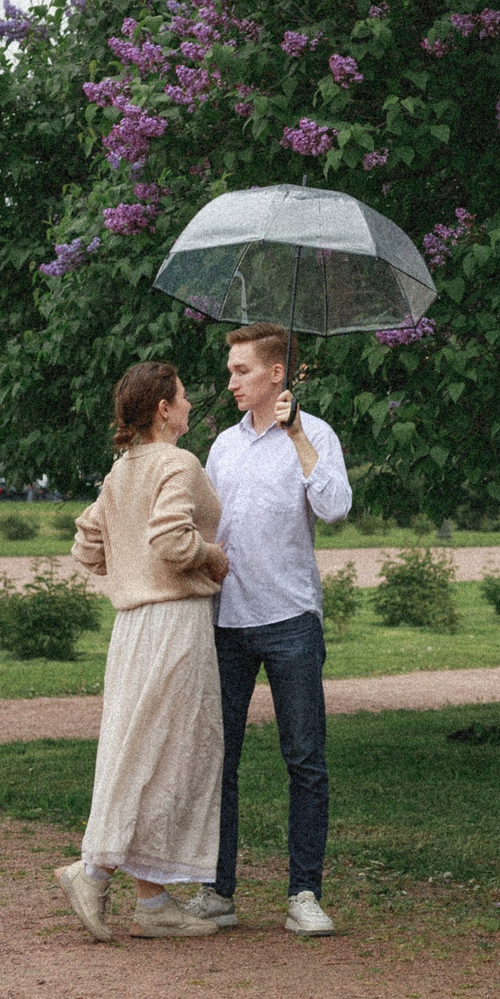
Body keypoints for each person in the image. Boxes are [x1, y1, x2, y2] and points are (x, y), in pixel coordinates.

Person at [175, 323, 351, 937]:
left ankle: (304, 892)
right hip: (228, 622)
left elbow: (334, 508)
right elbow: (207, 529)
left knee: (305, 760)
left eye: (242, 370)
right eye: (231, 371)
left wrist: (297, 431)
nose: (231, 381)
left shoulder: (316, 434)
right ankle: (218, 891)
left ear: (277, 373)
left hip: (293, 623)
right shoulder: (222, 445)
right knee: (219, 760)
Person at [54, 361, 232, 942]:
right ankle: (94, 867)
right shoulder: (178, 462)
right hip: (174, 623)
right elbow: (172, 539)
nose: (188, 406)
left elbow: (86, 543)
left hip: (131, 628)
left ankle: (152, 904)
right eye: (182, 398)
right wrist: (211, 556)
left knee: (140, 748)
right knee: (165, 753)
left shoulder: (121, 470)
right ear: (163, 409)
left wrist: (125, 570)